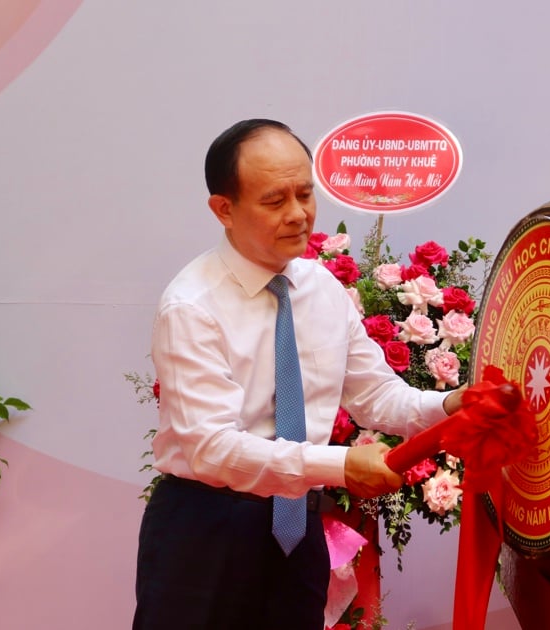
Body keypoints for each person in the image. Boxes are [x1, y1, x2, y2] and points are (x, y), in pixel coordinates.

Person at [133, 119, 465, 629]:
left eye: (305, 194)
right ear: (224, 209)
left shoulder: (320, 287)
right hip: (204, 533)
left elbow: (376, 395)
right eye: (274, 201)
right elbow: (213, 449)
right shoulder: (191, 306)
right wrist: (339, 465)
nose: (298, 215)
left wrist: (447, 407)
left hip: (295, 528)